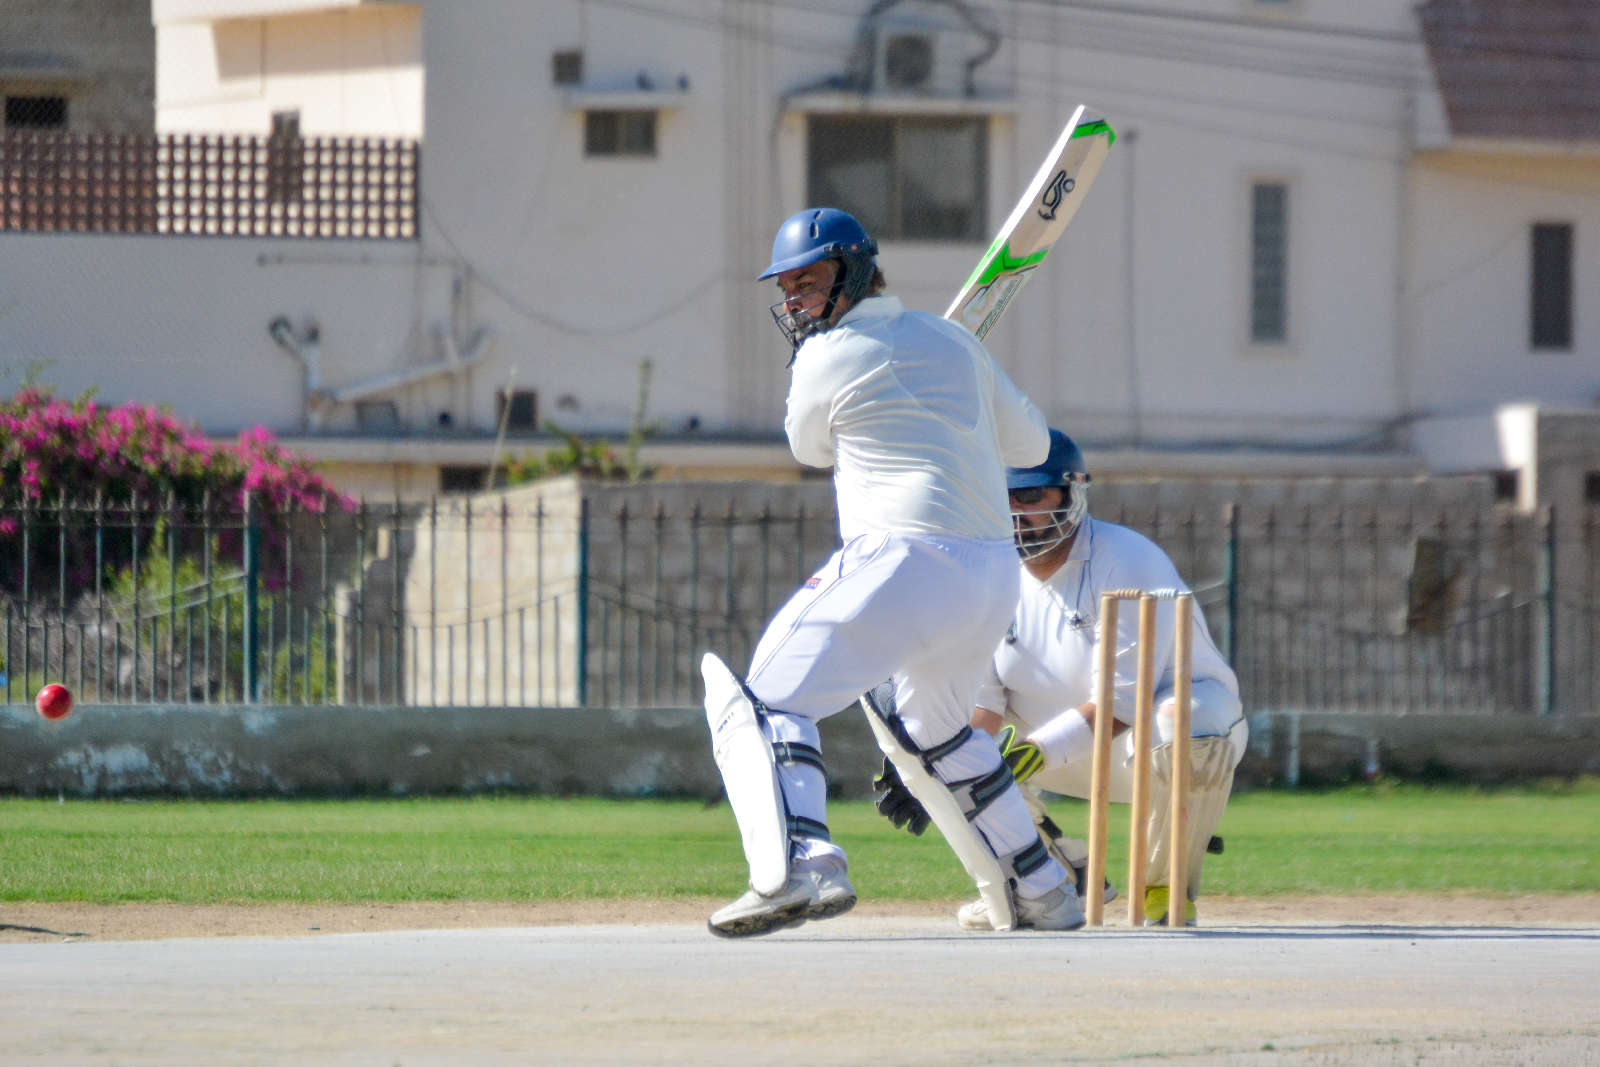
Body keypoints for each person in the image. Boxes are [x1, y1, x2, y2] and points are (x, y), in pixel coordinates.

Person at [701, 207, 1082, 937]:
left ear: (852, 271)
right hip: (990, 574)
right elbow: (1032, 443)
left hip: (903, 557)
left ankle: (805, 861)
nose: (794, 300)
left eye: (808, 281)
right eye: (786, 288)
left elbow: (808, 448)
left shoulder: (825, 355)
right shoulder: (956, 342)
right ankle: (1043, 888)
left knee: (765, 698)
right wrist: (947, 374)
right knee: (941, 733)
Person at [966, 429, 1248, 926]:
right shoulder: (988, 574)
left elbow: (1123, 704)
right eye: (1002, 498)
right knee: (948, 749)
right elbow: (985, 706)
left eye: (1031, 496)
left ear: (1072, 494)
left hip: (1151, 746)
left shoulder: (1127, 559)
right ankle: (1048, 880)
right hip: (1054, 750)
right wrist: (944, 765)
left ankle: (1163, 887)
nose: (1015, 513)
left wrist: (1033, 753)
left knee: (1182, 718)